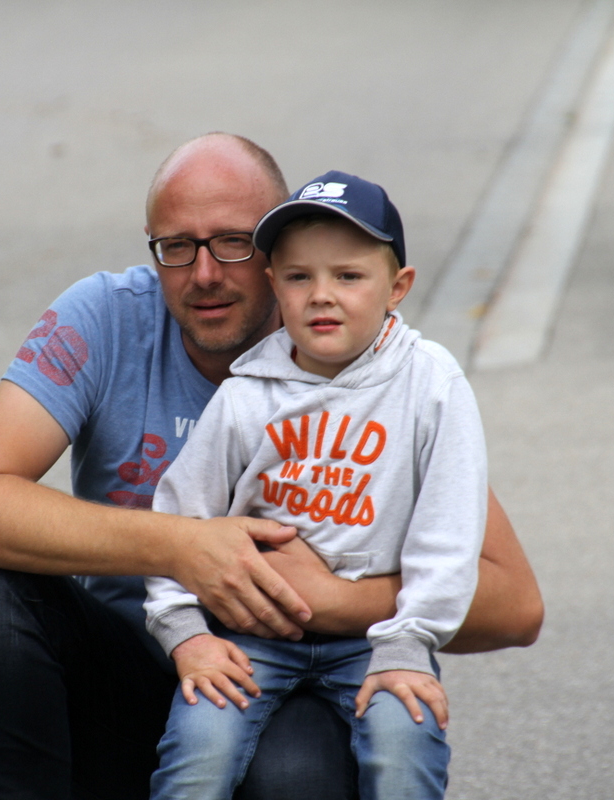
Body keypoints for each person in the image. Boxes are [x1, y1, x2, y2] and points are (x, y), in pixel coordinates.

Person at [0, 133, 542, 800]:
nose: (205, 273)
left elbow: (514, 604)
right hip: (136, 666)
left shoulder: (364, 366)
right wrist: (184, 548)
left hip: (273, 672)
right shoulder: (105, 317)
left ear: (274, 256)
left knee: (296, 778)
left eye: (233, 243)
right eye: (176, 247)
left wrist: (334, 601)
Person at [145, 171, 483, 800]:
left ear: (398, 287)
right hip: (249, 637)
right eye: (300, 277)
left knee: (404, 736)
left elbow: (449, 534)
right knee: (200, 748)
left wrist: (411, 640)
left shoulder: (431, 386)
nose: (322, 295)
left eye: (349, 276)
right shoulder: (246, 397)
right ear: (275, 285)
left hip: (377, 639)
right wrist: (186, 635)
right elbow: (178, 527)